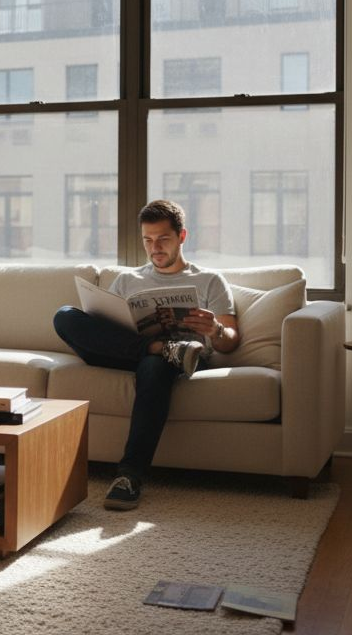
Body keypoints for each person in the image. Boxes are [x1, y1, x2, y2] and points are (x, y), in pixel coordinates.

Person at [52, 199, 239, 511]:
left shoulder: (209, 281)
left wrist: (215, 328)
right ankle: (161, 347)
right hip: (126, 352)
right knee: (65, 316)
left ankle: (129, 477)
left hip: (185, 359)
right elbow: (106, 325)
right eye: (148, 240)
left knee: (154, 366)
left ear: (182, 236)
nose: (155, 248)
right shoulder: (128, 280)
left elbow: (230, 341)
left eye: (163, 239)